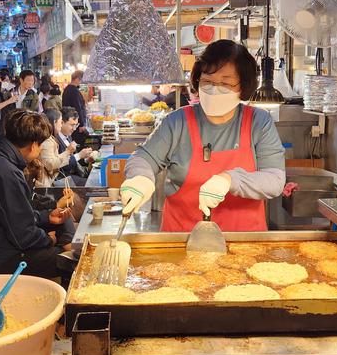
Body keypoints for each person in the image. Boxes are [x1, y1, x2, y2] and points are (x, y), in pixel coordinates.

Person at [120, 40, 286, 231]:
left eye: (225, 83)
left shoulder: (259, 122)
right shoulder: (177, 122)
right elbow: (143, 157)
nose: (214, 89)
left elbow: (274, 180)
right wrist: (140, 178)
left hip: (243, 241)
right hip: (183, 240)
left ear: (244, 86)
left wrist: (230, 180)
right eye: (207, 81)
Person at [0, 110, 73, 278]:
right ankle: (68, 250)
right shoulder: (5, 173)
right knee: (67, 260)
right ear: (33, 145)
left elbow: (16, 217)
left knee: (62, 220)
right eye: (40, 146)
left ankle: (68, 244)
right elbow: (24, 236)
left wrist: (47, 217)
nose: (39, 151)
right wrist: (49, 240)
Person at [39, 108, 93, 187]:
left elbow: (73, 160)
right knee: (91, 184)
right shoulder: (50, 140)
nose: (74, 129)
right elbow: (54, 165)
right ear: (58, 122)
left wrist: (86, 159)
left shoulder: (67, 136)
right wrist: (74, 154)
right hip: (60, 178)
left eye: (76, 125)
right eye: (72, 125)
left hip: (69, 175)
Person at [62, 70, 90, 142]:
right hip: (75, 123)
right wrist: (81, 124)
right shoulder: (74, 91)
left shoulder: (67, 89)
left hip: (69, 121)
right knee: (78, 142)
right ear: (77, 79)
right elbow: (78, 108)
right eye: (81, 80)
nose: (82, 83)